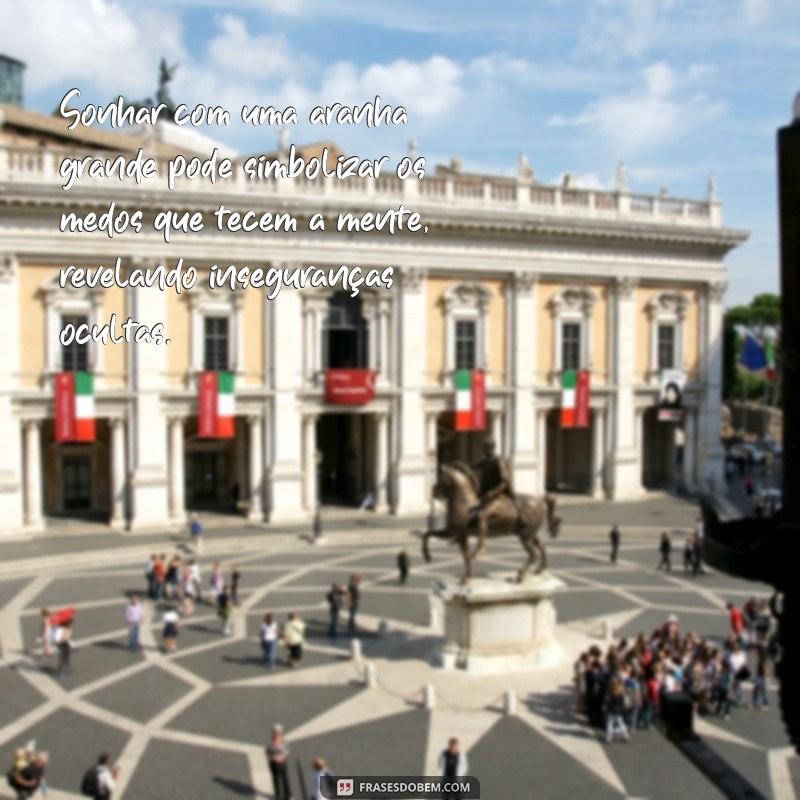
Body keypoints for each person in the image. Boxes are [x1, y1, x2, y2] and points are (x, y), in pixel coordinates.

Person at [470, 438, 515, 558]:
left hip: (498, 496)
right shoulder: (485, 461)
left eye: (486, 447)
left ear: (491, 447)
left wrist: (493, 493)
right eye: (484, 446)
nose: (484, 449)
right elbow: (472, 466)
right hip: (485, 496)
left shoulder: (498, 461)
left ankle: (481, 547)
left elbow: (504, 482)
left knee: (482, 515)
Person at [266, 725, 292, 800]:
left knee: (285, 778)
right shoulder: (271, 743)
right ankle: (278, 793)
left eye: (278, 732)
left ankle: (287, 794)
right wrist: (274, 758)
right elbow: (268, 753)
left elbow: (287, 751)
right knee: (276, 779)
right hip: (274, 764)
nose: (277, 734)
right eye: (275, 732)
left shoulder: (284, 741)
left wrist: (282, 757)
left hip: (282, 763)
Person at [604, 677, 630, 743]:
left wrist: (606, 706)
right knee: (621, 724)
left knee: (609, 724)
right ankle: (625, 736)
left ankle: (608, 737)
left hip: (611, 711)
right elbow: (622, 704)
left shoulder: (610, 694)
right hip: (619, 712)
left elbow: (607, 702)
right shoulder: (621, 694)